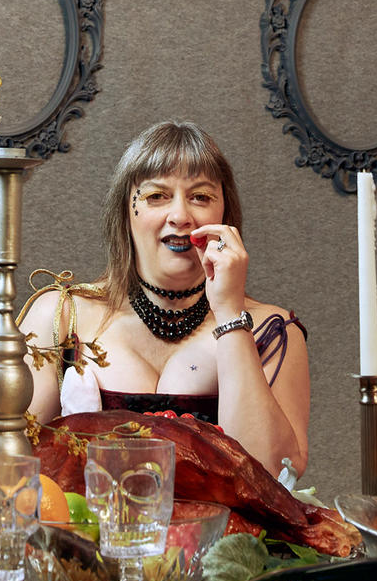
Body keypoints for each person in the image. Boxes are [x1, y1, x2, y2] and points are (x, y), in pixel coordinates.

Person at [18, 120, 309, 479]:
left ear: (225, 214)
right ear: (125, 211)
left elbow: (273, 475)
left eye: (201, 197)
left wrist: (230, 314)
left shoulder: (272, 330)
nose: (180, 216)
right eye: (156, 196)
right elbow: (7, 465)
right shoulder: (60, 316)